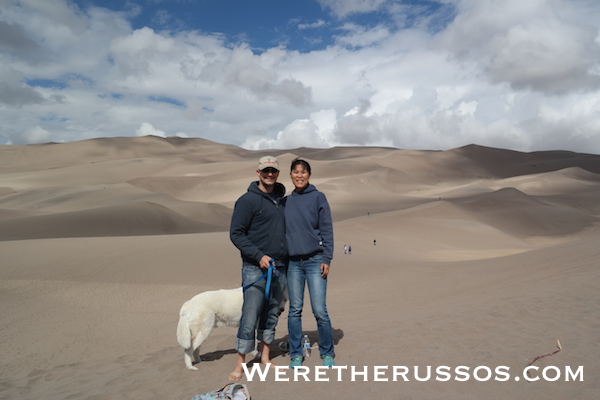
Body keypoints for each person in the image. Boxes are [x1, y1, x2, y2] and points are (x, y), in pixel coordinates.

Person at [228, 156, 288, 381]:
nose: (269, 174)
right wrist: (259, 256)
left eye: (273, 170)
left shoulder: (282, 201)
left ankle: (265, 357)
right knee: (250, 315)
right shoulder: (247, 201)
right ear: (258, 172)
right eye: (265, 171)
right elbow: (236, 234)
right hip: (255, 268)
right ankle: (240, 363)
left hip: (281, 268)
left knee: (271, 313)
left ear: (278, 173)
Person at [284, 158, 335, 368]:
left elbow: (327, 229)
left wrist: (327, 258)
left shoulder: (318, 197)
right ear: (291, 175)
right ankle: (296, 353)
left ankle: (327, 351)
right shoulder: (286, 201)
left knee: (319, 310)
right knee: (295, 310)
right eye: (296, 172)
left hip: (315, 260)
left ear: (309, 175)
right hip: (293, 263)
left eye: (303, 172)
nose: (299, 175)